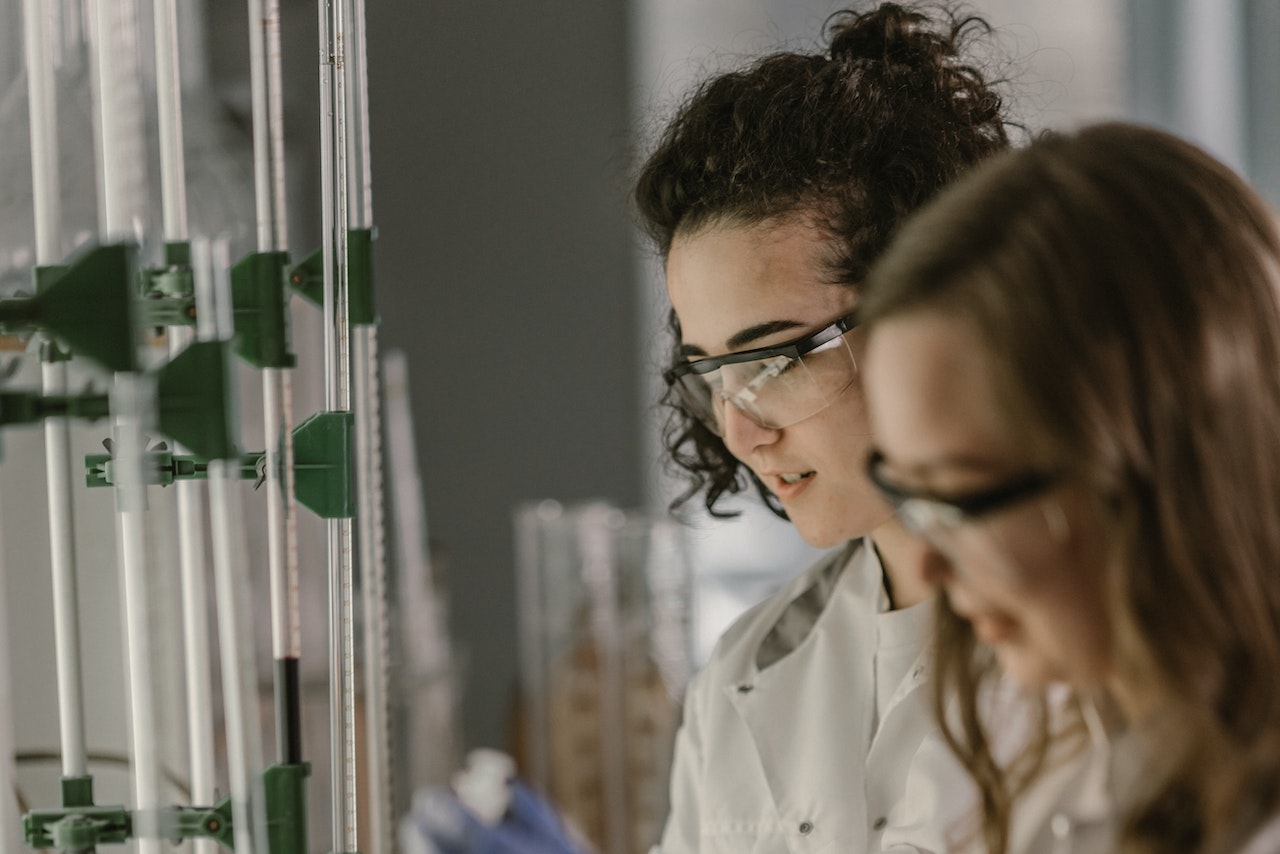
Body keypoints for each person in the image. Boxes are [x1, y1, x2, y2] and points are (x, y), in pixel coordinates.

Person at [633, 3, 1014, 852]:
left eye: (775, 360)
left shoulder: (1099, 636)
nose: (741, 432)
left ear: (934, 308)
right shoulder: (742, 677)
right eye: (711, 374)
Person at [859, 122, 1280, 853]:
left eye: (960, 498)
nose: (924, 565)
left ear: (1158, 466)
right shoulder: (1058, 777)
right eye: (904, 495)